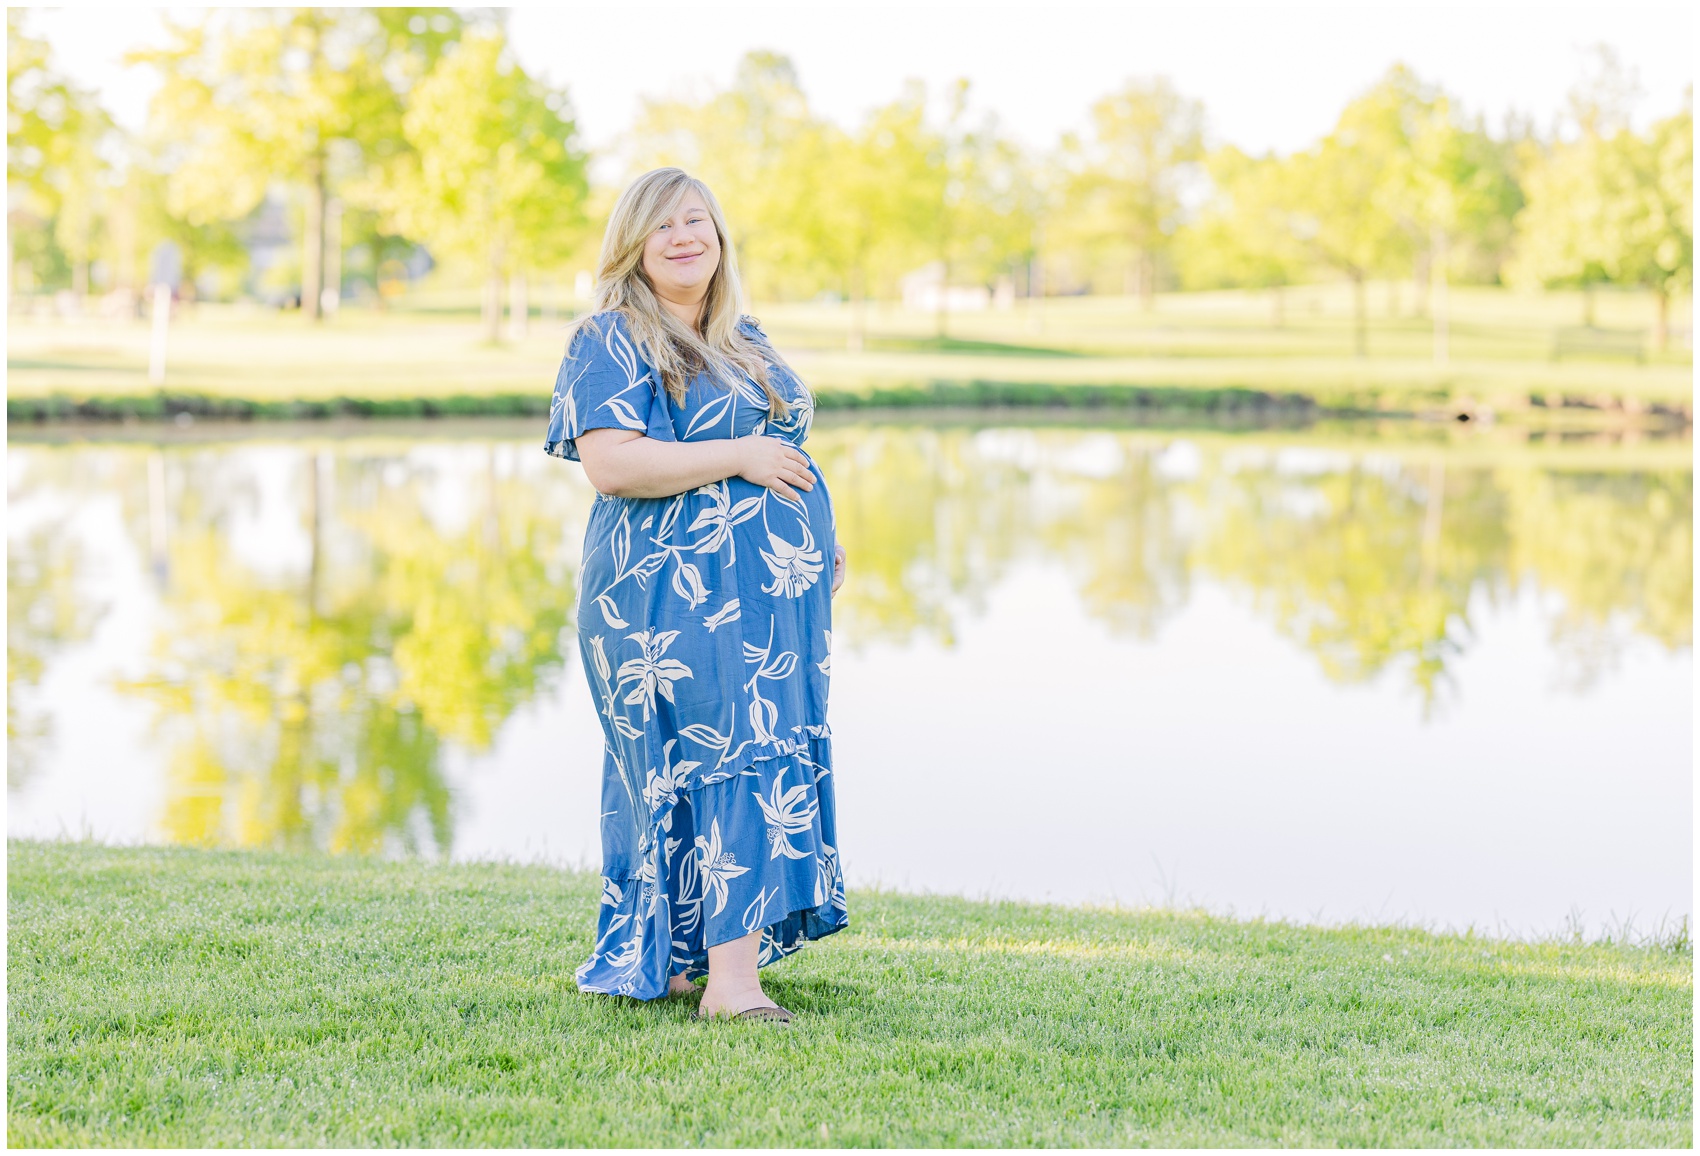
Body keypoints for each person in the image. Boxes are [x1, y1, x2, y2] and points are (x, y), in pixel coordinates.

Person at [544, 167, 847, 1023]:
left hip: (764, 605)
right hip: (664, 598)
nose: (684, 236)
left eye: (697, 220)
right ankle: (734, 987)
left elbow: (783, 445)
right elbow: (613, 465)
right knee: (715, 759)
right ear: (632, 245)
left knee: (747, 755)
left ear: (720, 237)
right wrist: (740, 457)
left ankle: (685, 963)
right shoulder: (609, 338)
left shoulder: (742, 335)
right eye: (663, 225)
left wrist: (820, 538)